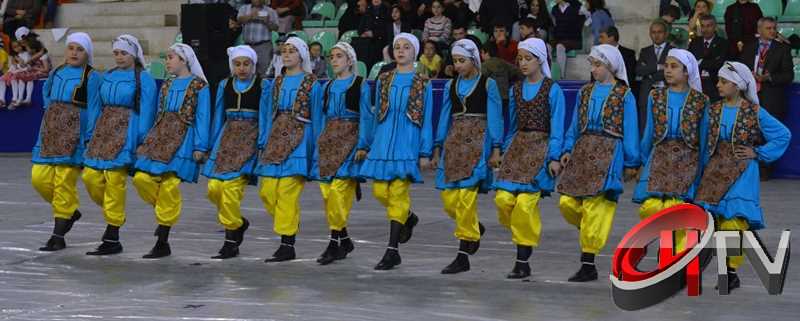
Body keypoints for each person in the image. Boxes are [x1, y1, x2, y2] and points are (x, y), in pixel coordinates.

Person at [694, 61, 790, 291]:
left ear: (737, 85)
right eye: (719, 80)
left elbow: (783, 135)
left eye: (724, 81)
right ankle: (723, 268)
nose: (718, 85)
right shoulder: (714, 110)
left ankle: (730, 271)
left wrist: (758, 152)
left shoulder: (754, 111)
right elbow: (705, 142)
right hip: (716, 171)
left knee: (734, 221)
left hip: (743, 171)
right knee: (715, 223)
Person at [557, 44, 639, 282]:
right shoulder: (585, 92)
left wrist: (632, 161)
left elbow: (630, 128)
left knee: (594, 206)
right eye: (591, 64)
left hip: (609, 152)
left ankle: (588, 263)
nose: (593, 69)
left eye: (598, 65)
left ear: (610, 66)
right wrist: (567, 148)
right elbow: (575, 123)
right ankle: (591, 233)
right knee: (567, 202)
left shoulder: (624, 94)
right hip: (583, 152)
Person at [359, 33, 434, 270]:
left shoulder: (423, 81)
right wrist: (367, 143)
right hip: (384, 138)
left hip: (407, 139)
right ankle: (409, 217)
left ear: (415, 52)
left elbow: (427, 117)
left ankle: (392, 250)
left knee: (399, 192)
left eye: (406, 47)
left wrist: (425, 151)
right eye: (397, 47)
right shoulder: (384, 78)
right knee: (381, 191)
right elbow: (375, 112)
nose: (400, 51)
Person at [494, 38, 566, 279]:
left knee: (525, 205)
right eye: (520, 59)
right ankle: (522, 238)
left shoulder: (552, 89)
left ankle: (522, 260)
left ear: (540, 59)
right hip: (518, 149)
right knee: (503, 200)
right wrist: (505, 151)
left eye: (528, 58)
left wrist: (554, 157)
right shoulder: (515, 89)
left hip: (541, 149)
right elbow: (512, 126)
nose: (523, 63)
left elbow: (557, 126)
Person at [430, 38, 503, 274]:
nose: (458, 65)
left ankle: (463, 254)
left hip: (477, 143)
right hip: (454, 143)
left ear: (473, 60)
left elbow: (495, 117)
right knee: (451, 201)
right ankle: (473, 227)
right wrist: (437, 146)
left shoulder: (487, 84)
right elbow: (443, 116)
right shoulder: (451, 85)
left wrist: (496, 148)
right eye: (455, 61)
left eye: (462, 60)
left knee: (465, 199)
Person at [133, 44, 211, 259]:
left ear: (184, 60)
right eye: (166, 58)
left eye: (170, 57)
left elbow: (203, 116)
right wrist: (147, 139)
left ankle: (162, 240)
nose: (167, 61)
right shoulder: (166, 84)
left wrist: (200, 145)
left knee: (169, 185)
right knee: (141, 178)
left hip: (184, 137)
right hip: (160, 136)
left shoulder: (199, 86)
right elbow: (158, 113)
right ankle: (163, 215)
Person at [81, 35, 157, 256]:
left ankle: (112, 232)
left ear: (133, 54)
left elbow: (147, 110)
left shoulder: (144, 78)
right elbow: (96, 105)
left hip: (128, 129)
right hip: (104, 129)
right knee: (90, 177)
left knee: (115, 180)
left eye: (123, 53)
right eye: (116, 53)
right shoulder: (107, 76)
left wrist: (141, 138)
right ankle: (113, 215)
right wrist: (91, 132)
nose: (119, 57)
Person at [255, 37, 323, 263]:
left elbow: (317, 117)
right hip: (275, 139)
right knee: (267, 191)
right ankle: (289, 222)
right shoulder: (275, 83)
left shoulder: (311, 83)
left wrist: (315, 149)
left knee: (286, 191)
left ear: (302, 55)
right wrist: (264, 139)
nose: (287, 55)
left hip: (299, 139)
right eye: (284, 51)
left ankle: (287, 244)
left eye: (292, 51)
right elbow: (266, 113)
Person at [632, 49, 708, 252]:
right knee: (652, 206)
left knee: (677, 209)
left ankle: (671, 257)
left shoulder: (700, 101)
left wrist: (702, 171)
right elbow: (649, 131)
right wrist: (643, 160)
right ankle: (666, 250)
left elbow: (703, 138)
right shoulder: (655, 96)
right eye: (666, 66)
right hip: (659, 158)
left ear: (687, 72)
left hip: (687, 160)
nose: (668, 70)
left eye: (674, 67)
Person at [32, 32, 102, 252]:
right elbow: (46, 92)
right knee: (39, 178)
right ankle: (70, 211)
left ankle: (58, 234)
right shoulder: (58, 71)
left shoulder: (92, 76)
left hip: (75, 135)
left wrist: (89, 137)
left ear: (87, 53)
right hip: (51, 131)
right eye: (71, 48)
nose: (74, 53)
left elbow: (94, 108)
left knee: (64, 181)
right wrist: (53, 112)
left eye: (79, 49)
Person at [311, 42, 373, 265]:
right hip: (329, 141)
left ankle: (334, 242)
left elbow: (366, 115)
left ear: (349, 60)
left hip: (350, 139)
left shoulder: (360, 84)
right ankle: (344, 239)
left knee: (337, 192)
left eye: (339, 56)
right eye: (332, 56)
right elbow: (321, 116)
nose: (334, 60)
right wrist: (319, 140)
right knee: (328, 195)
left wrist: (363, 145)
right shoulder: (326, 86)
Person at [202, 45, 266, 259]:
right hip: (226, 138)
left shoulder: (262, 85)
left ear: (253, 65)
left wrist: (263, 142)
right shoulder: (224, 85)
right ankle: (238, 223)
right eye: (237, 64)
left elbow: (265, 116)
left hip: (249, 138)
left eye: (246, 64)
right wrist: (212, 143)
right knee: (214, 188)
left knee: (230, 191)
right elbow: (218, 114)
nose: (242, 68)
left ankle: (230, 241)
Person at [739, 17, 794, 124]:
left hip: (772, 101)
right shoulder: (748, 47)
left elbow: (789, 75)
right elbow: (741, 69)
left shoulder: (783, 49)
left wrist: (769, 77)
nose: (772, 31)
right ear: (759, 30)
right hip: (749, 99)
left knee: (770, 135)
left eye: (774, 28)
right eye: (768, 28)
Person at [637, 19, 673, 133]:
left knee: (664, 123)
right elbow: (638, 70)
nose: (656, 35)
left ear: (666, 34)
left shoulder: (673, 50)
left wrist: (650, 74)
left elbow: (671, 72)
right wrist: (658, 67)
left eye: (659, 32)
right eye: (653, 32)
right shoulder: (645, 51)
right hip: (647, 91)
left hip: (666, 91)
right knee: (645, 124)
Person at [688, 14, 729, 102]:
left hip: (715, 86)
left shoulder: (723, 43)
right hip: (697, 86)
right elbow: (689, 62)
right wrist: (710, 62)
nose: (705, 29)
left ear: (714, 27)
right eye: (702, 26)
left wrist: (700, 62)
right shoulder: (694, 42)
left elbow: (719, 64)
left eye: (708, 26)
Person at [237, 0, 279, 77]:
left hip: (264, 46)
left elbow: (276, 28)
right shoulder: (244, 8)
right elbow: (239, 20)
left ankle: (265, 88)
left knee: (265, 72)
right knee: (247, 72)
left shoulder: (270, 11)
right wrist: (250, 16)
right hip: (247, 46)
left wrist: (267, 21)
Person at [551, 0, 590, 79]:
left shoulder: (577, 6)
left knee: (560, 46)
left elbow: (589, 16)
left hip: (573, 39)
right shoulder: (554, 9)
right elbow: (554, 25)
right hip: (559, 38)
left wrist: (585, 24)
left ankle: (562, 76)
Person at [481, 41, 522, 114]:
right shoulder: (503, 62)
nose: (481, 55)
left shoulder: (484, 66)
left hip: (493, 97)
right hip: (506, 96)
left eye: (481, 53)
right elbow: (519, 73)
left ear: (486, 53)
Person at [598, 26, 637, 101]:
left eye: (602, 37)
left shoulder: (628, 54)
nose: (599, 40)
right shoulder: (598, 54)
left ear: (611, 38)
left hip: (622, 95)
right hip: (601, 95)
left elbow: (630, 77)